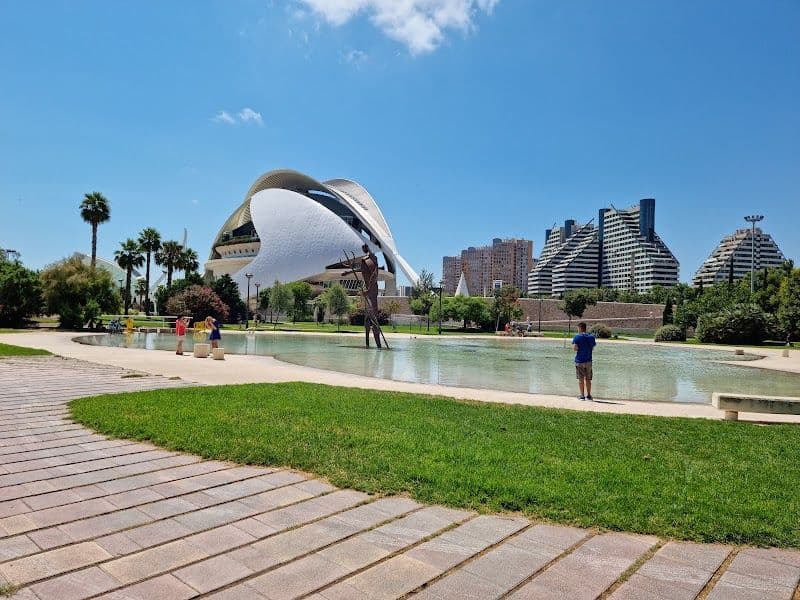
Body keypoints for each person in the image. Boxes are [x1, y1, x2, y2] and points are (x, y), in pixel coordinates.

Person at [359, 243, 382, 348]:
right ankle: (367, 344)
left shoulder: (373, 260)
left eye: (364, 248)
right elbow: (366, 275)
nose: (363, 250)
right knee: (368, 316)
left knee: (374, 316)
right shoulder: (365, 260)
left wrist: (368, 291)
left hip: (372, 292)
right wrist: (350, 271)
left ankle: (378, 344)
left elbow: (374, 276)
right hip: (368, 292)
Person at [572, 321, 596, 400]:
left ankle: (582, 396)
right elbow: (592, 348)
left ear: (580, 328)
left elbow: (575, 348)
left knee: (581, 379)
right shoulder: (591, 337)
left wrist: (577, 348)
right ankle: (589, 395)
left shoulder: (577, 337)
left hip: (579, 361)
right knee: (588, 379)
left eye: (577, 328)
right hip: (589, 361)